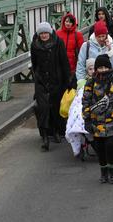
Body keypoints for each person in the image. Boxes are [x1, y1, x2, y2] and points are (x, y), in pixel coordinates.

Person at [82, 54, 113, 184]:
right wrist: (87, 119)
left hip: (111, 121)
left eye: (105, 67)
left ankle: (112, 170)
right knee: (100, 148)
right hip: (96, 121)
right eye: (99, 68)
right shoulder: (90, 83)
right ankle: (103, 171)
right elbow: (86, 101)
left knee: (111, 146)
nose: (102, 70)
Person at [31, 22, 71, 151]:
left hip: (56, 80)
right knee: (43, 108)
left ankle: (55, 132)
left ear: (50, 32)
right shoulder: (35, 45)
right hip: (41, 81)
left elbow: (64, 62)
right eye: (41, 33)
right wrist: (36, 77)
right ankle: (45, 137)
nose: (43, 35)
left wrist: (67, 81)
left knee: (55, 107)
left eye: (45, 33)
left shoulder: (58, 43)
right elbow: (34, 63)